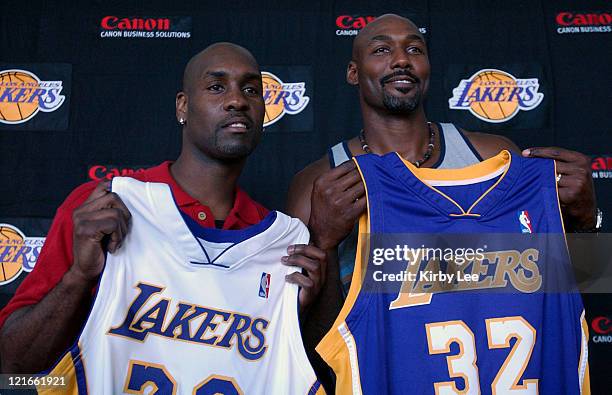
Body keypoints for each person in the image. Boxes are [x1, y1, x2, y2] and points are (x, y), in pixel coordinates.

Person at [286, 13, 598, 390]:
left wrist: (585, 222)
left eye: (414, 49)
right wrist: (325, 241)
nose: (401, 59)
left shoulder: (493, 157)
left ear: (428, 66)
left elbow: (564, 294)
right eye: (382, 49)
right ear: (353, 72)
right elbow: (313, 347)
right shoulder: (321, 184)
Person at [0, 42, 326, 374]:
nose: (237, 100)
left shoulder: (278, 243)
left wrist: (290, 315)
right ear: (182, 107)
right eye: (216, 87)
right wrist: (79, 277)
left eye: (251, 90)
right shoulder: (105, 205)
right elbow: (13, 366)